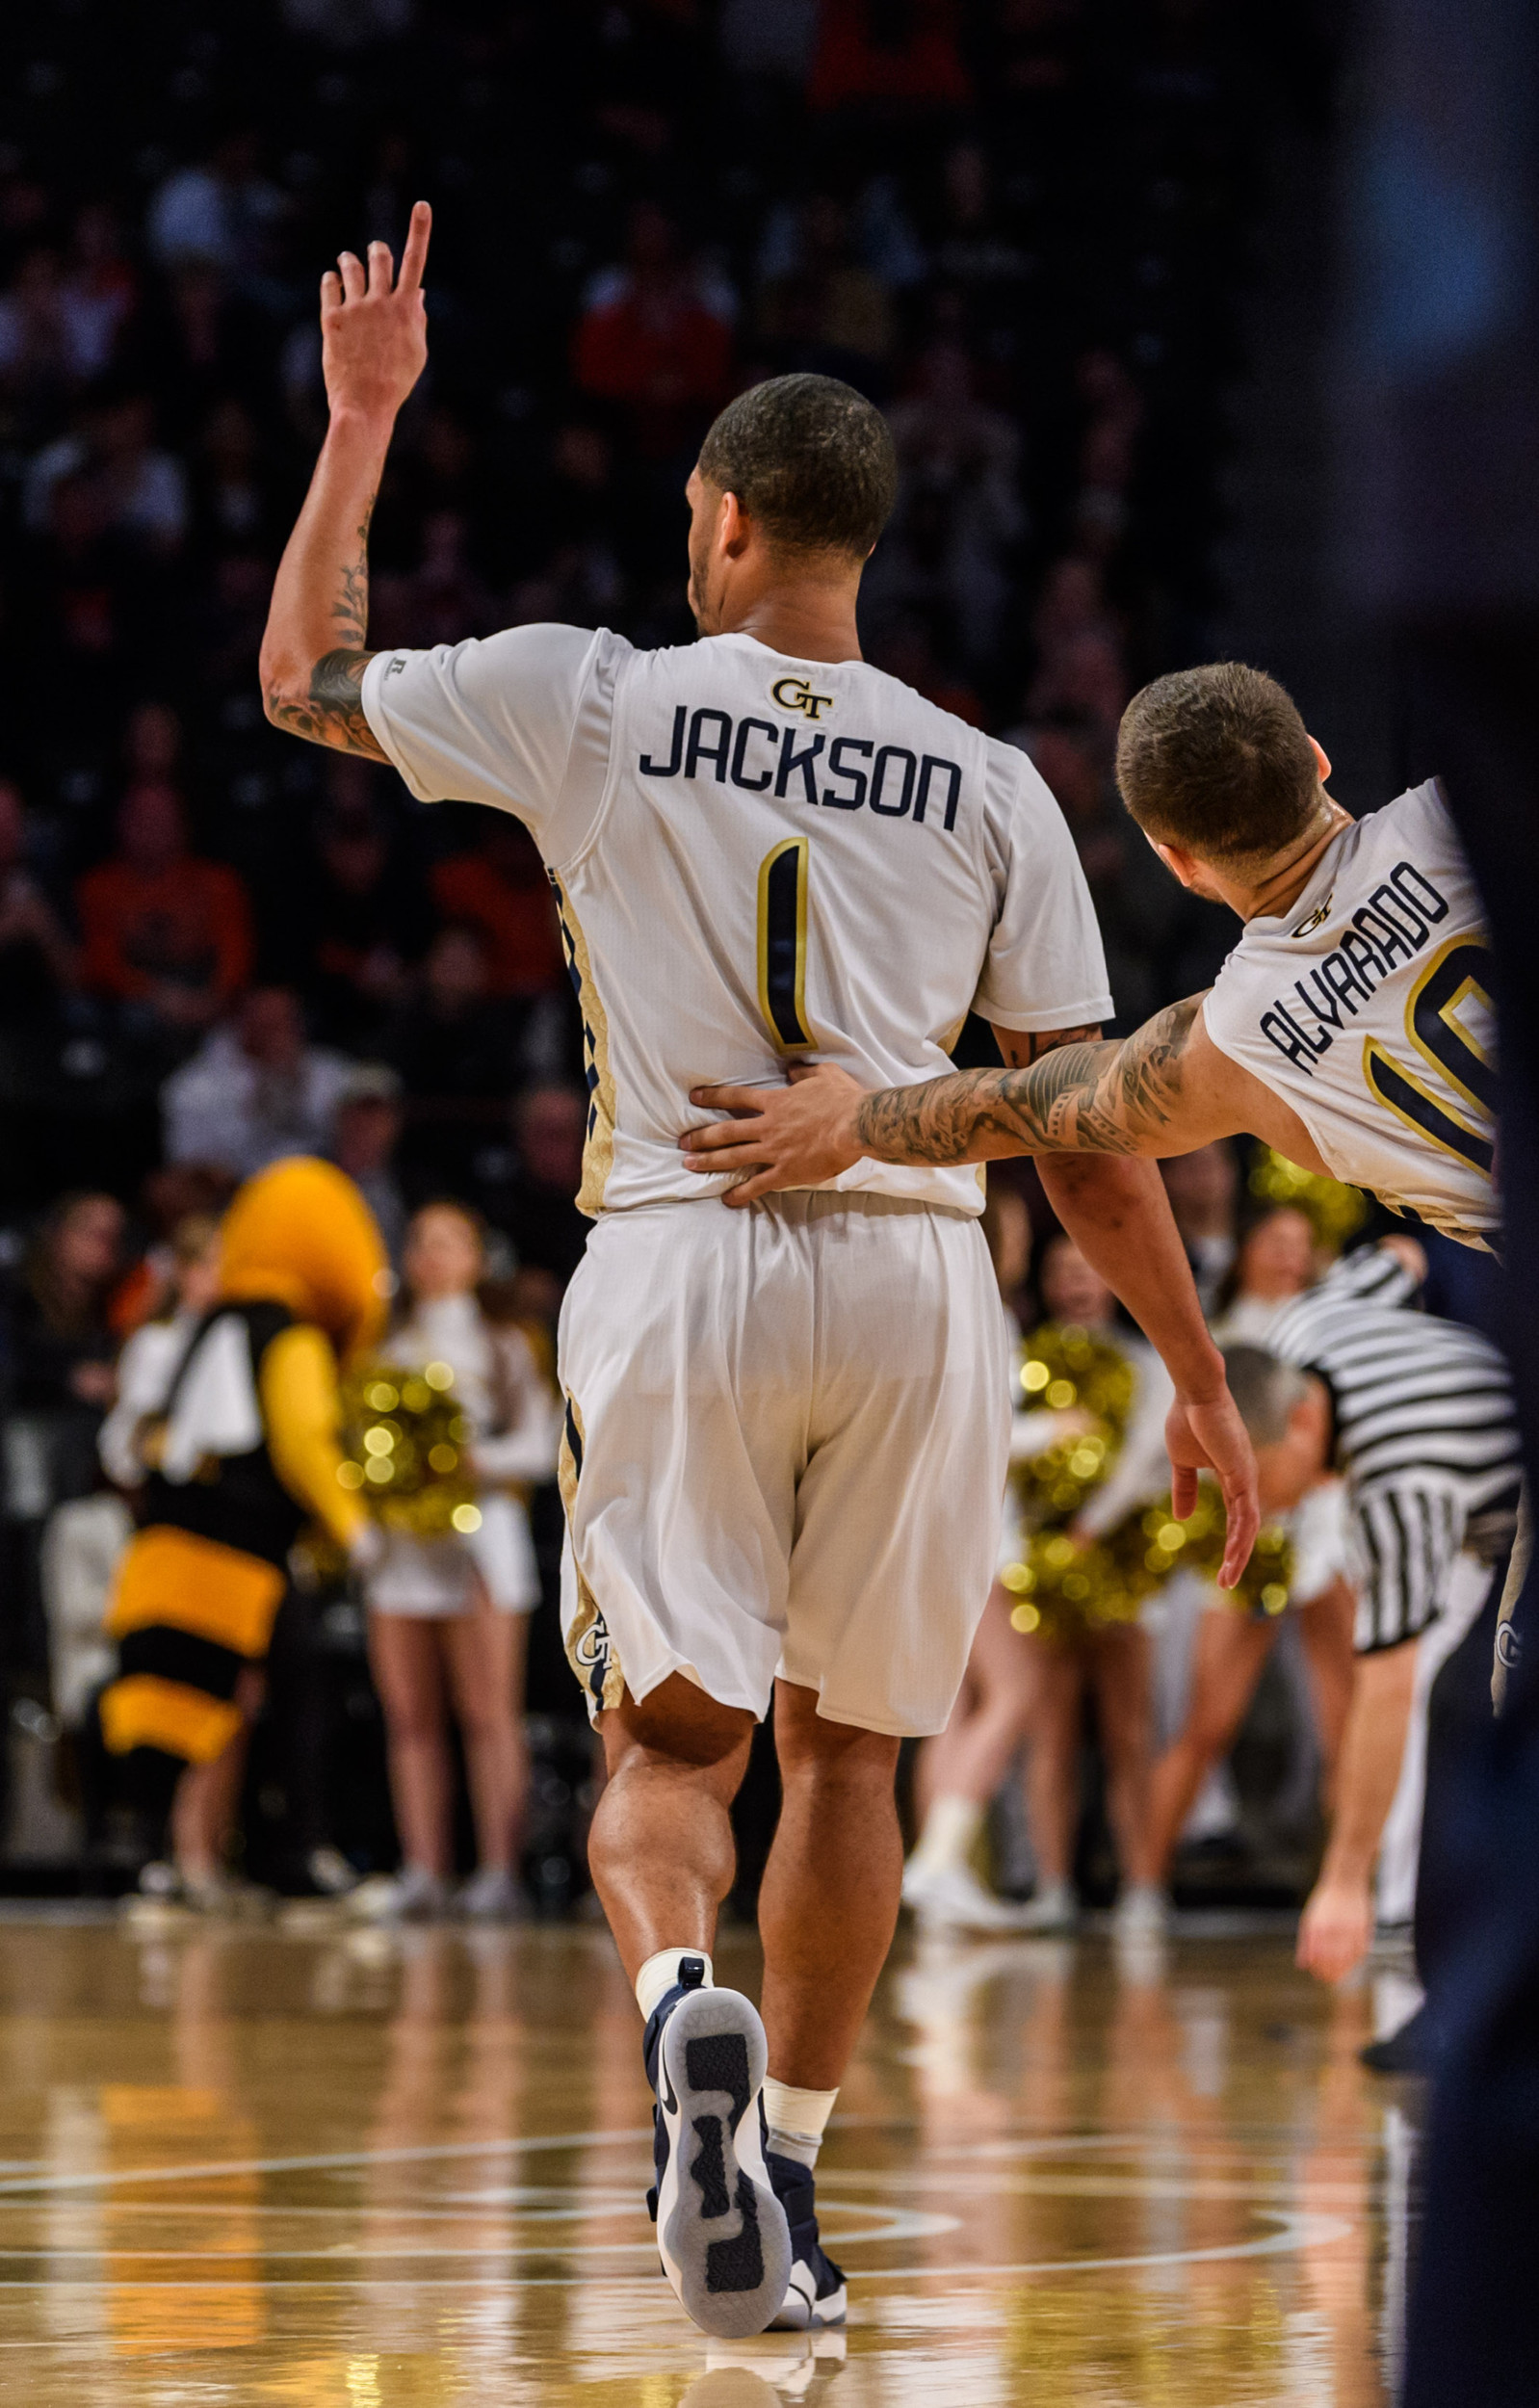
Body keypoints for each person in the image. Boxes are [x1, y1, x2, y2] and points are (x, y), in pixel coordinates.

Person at [257, 206, 1253, 2341]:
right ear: (861, 549)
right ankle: (783, 2174)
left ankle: (676, 2002)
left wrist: (361, 425)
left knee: (677, 1751)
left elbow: (296, 682)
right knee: (861, 1755)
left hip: (686, 1245)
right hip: (917, 1270)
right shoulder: (993, 783)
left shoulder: (592, 693)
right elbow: (1081, 1130)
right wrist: (1194, 1371)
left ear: (715, 524)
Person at [681, 660, 1498, 1264]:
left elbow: (1033, 1100)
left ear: (1176, 862)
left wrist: (850, 1120)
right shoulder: (1470, 810)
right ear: (1316, 757)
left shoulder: (1232, 1043)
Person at [1221, 1243, 1521, 1989]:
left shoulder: (1397, 1488)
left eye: (1251, 1483)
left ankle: (1399, 1918)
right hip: (1481, 1519)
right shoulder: (1300, 1326)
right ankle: (1411, 1920)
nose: (1248, 1510)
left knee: (1450, 1707)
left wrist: (1341, 1879)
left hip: (1514, 1518)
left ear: (1299, 1423)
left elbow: (1384, 1687)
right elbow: (1405, 1251)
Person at [96, 1157, 387, 1906]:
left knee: (178, 1698)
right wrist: (355, 1529)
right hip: (237, 1550)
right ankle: (283, 1854)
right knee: (267, 1694)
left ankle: (170, 1857)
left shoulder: (208, 1325)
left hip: (168, 1537)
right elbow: (302, 1444)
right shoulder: (286, 1336)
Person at [354, 1201, 559, 1923]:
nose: (435, 1254)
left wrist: (474, 1461)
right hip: (403, 1543)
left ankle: (500, 1870)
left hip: (481, 1532)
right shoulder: (384, 1345)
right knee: (410, 1715)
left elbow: (544, 1447)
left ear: (478, 1257)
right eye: (422, 1242)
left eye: (452, 1241)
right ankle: (423, 1868)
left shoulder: (507, 1343)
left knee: (488, 1712)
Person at [1146, 1207, 1359, 1886]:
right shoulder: (1212, 1336)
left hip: (1325, 1521)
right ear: (1246, 1250)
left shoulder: (1333, 1322)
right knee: (1208, 1722)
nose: (1291, 1257)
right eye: (1277, 1242)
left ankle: (1354, 1888)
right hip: (1245, 1527)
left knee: (1348, 1721)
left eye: (1303, 1245)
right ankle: (1141, 1892)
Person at [162, 985, 354, 1177]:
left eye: (284, 1021)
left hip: (323, 1186)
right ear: (240, 1022)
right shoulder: (193, 1089)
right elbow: (190, 1170)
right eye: (265, 1023)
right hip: (238, 1196)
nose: (277, 1034)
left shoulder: (332, 1072)